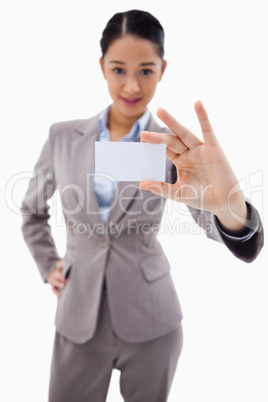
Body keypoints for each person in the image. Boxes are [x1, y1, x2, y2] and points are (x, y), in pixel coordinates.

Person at [21, 9, 263, 402]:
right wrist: (48, 264)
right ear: (101, 67)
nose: (131, 85)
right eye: (118, 69)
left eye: (146, 70)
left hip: (153, 322)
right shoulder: (63, 137)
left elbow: (209, 216)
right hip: (78, 317)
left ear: (163, 69)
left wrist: (231, 209)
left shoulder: (173, 147)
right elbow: (32, 212)